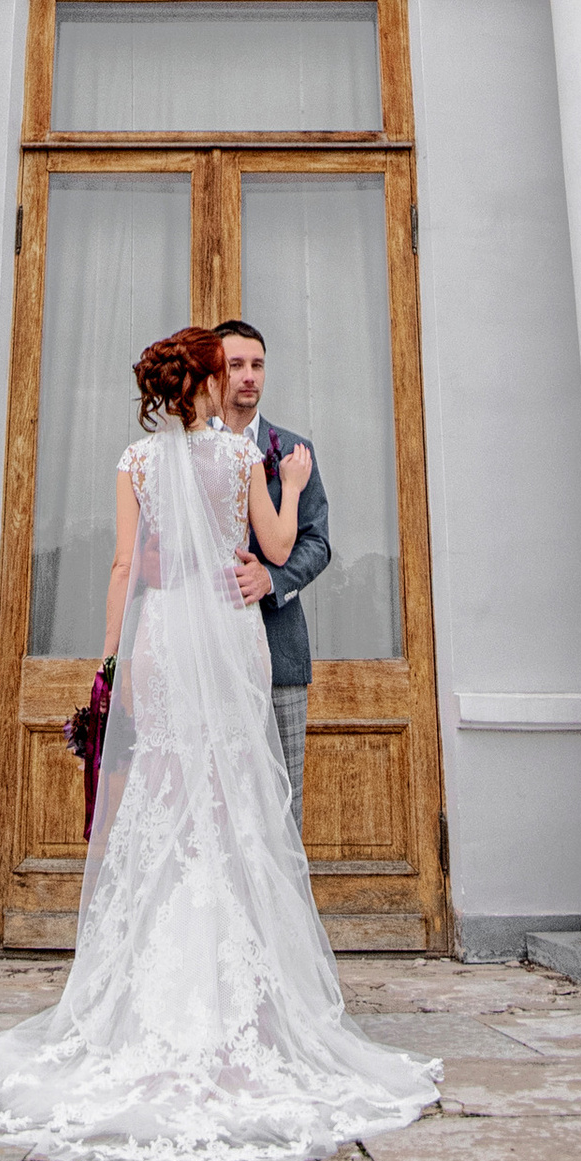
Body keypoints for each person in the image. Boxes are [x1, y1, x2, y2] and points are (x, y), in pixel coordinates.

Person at [0, 323, 436, 1161]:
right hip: (228, 637)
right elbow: (272, 546)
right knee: (233, 793)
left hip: (163, 638)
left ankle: (140, 995)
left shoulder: (134, 463)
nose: (237, 379)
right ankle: (251, 1007)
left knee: (164, 791)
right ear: (204, 381)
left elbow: (125, 568)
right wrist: (295, 480)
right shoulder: (243, 460)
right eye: (224, 368)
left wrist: (113, 663)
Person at [217, 317, 328, 822]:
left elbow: (317, 542)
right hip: (209, 650)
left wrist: (272, 580)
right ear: (214, 372)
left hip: (279, 650)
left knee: (284, 806)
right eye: (236, 364)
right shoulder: (189, 448)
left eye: (257, 365)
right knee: (217, 800)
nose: (248, 376)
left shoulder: (293, 451)